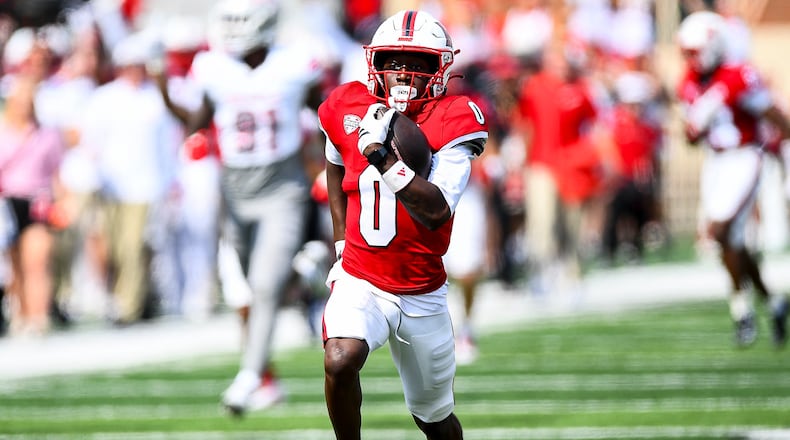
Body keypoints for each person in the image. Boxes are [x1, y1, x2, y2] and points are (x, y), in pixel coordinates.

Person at [318, 9, 488, 439]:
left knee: (433, 418)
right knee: (340, 358)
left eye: (419, 62)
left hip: (420, 290)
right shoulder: (347, 103)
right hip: (361, 276)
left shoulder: (454, 118)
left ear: (442, 68)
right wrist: (341, 246)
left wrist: (383, 157)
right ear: (375, 62)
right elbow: (335, 167)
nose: (403, 72)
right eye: (393, 60)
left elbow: (435, 210)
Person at [153, 0, 326, 415]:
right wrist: (161, 85)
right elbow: (195, 121)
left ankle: (250, 377)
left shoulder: (294, 64)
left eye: (238, 19)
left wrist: (323, 166)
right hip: (234, 190)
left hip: (283, 184)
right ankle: (306, 278)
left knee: (264, 286)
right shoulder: (213, 68)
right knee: (256, 282)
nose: (231, 28)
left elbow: (323, 115)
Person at [676, 11, 789, 348]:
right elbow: (691, 138)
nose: (690, 59)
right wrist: (696, 124)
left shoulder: (738, 75)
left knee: (719, 231)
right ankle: (772, 302)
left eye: (693, 51)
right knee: (732, 242)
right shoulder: (690, 83)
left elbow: (772, 113)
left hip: (744, 156)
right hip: (716, 161)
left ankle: (742, 312)